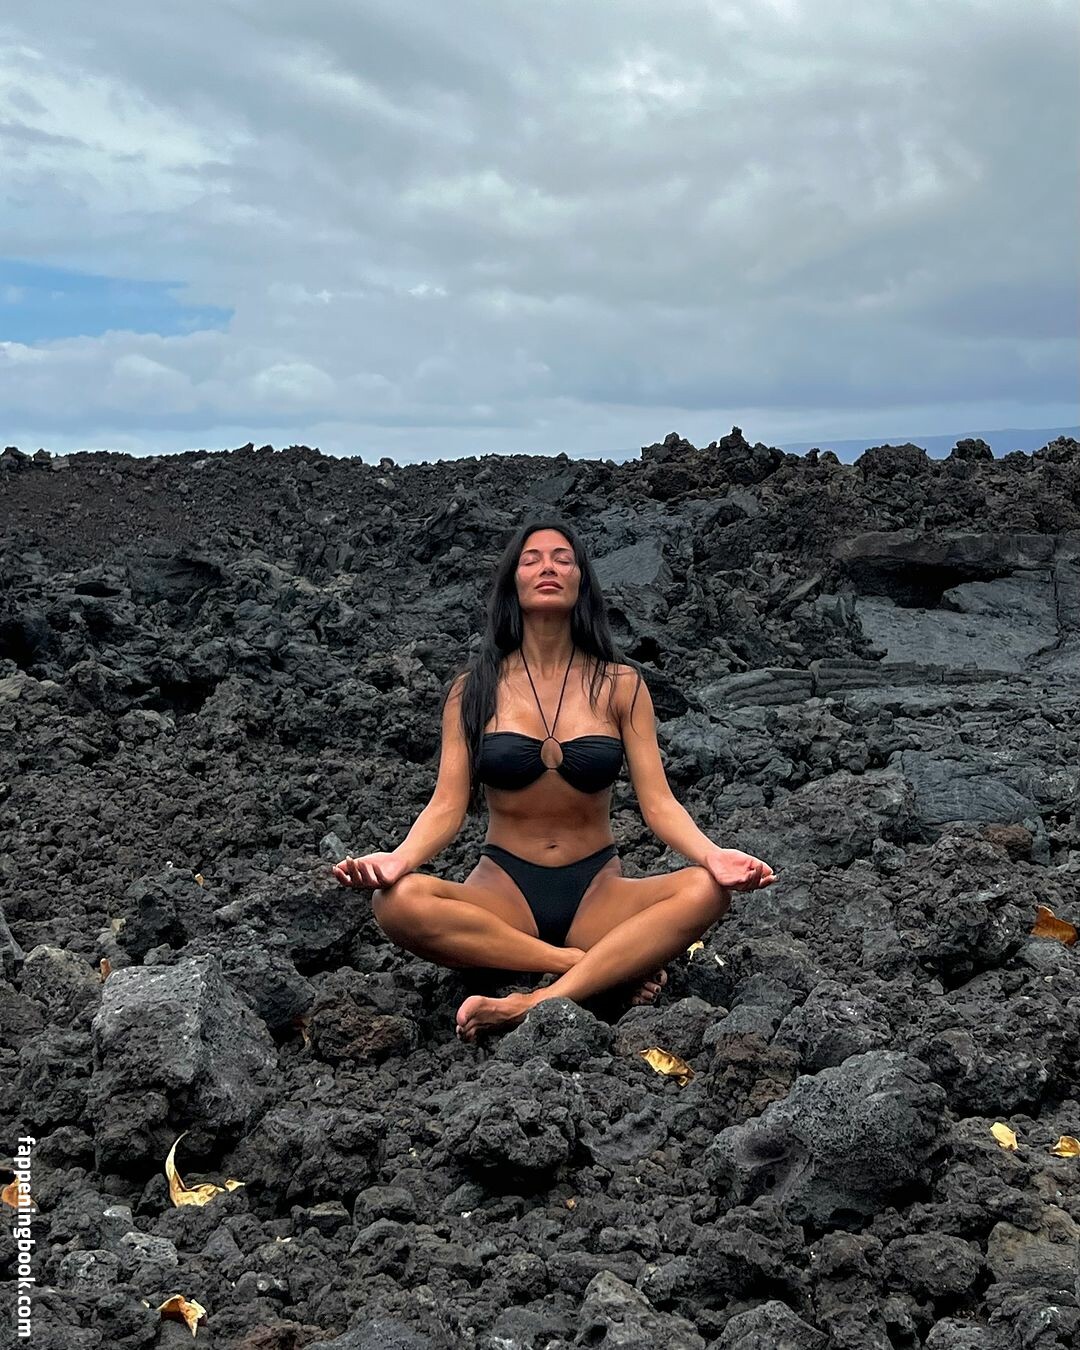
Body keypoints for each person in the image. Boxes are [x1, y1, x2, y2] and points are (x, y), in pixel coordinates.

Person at [334, 518, 776, 1042]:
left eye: (563, 559)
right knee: (394, 902)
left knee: (708, 891)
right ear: (513, 583)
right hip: (503, 894)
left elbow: (659, 803)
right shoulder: (472, 690)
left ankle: (533, 1001)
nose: (548, 567)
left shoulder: (621, 685)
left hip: (597, 892)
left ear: (581, 581)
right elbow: (446, 806)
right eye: (532, 559)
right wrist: (398, 859)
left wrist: (713, 855)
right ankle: (585, 966)